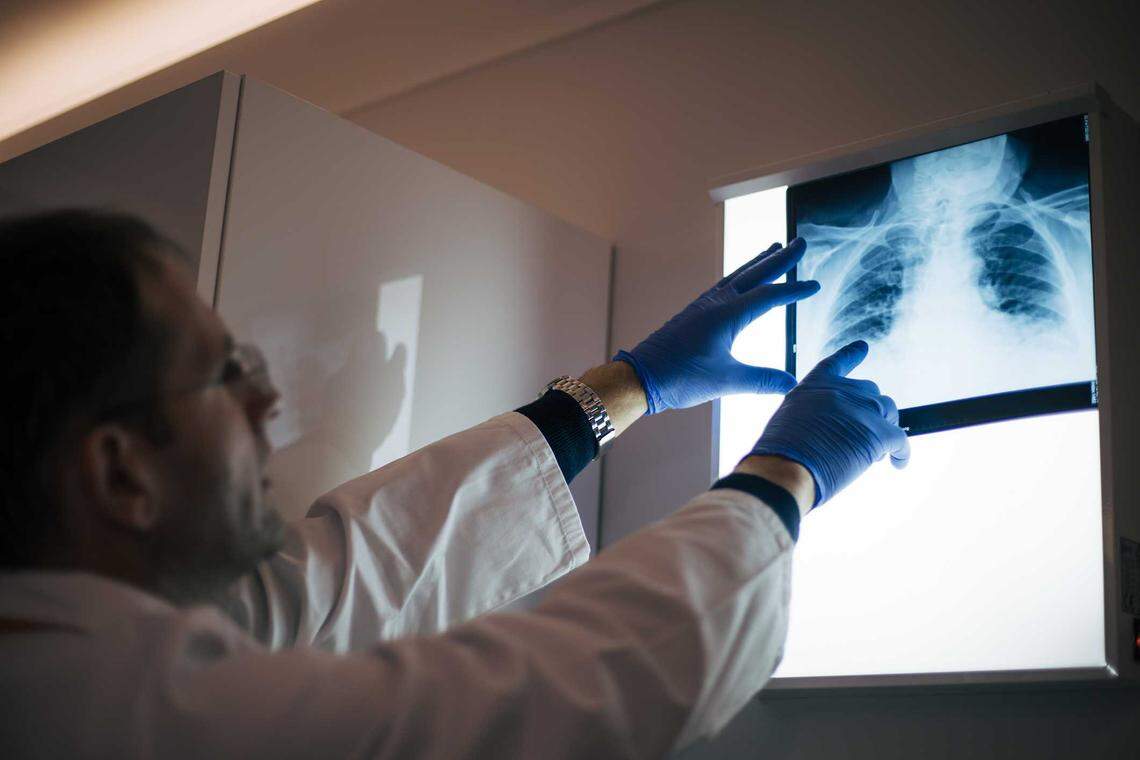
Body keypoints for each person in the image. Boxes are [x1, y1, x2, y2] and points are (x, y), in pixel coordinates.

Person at [0, 209, 909, 758]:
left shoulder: (79, 652)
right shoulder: (132, 720)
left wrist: (630, 385)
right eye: (224, 372)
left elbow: (360, 570)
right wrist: (787, 473)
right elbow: (572, 687)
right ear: (119, 471)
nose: (269, 399)